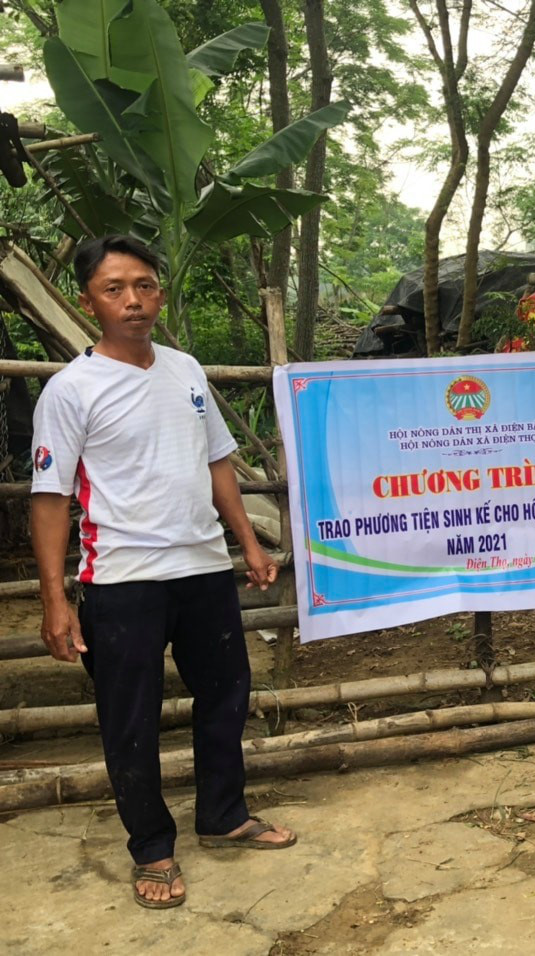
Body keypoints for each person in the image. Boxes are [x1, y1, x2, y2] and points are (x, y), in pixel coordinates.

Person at [30, 235, 297, 910]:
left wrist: (248, 543)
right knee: (130, 719)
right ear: (88, 300)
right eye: (114, 288)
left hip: (203, 567)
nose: (133, 300)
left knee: (226, 696)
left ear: (161, 292)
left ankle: (223, 814)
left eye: (144, 285)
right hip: (122, 580)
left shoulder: (183, 369)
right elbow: (51, 499)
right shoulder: (71, 392)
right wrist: (56, 600)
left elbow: (216, 464)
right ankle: (151, 847)